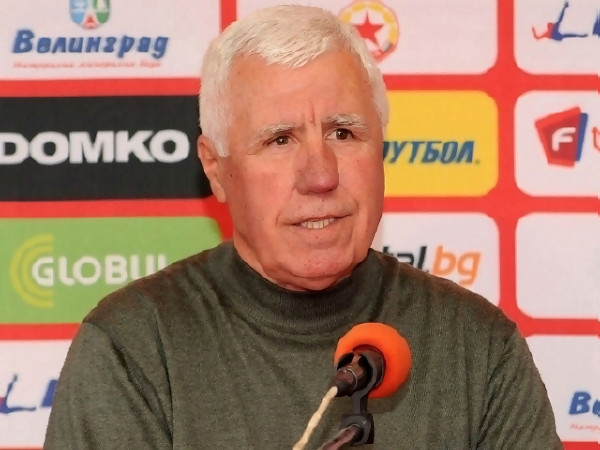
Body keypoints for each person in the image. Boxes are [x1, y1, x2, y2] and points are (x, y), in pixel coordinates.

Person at [45, 5, 562, 449]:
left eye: (343, 133)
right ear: (216, 169)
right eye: (280, 140)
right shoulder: (134, 348)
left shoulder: (477, 346)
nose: (320, 175)